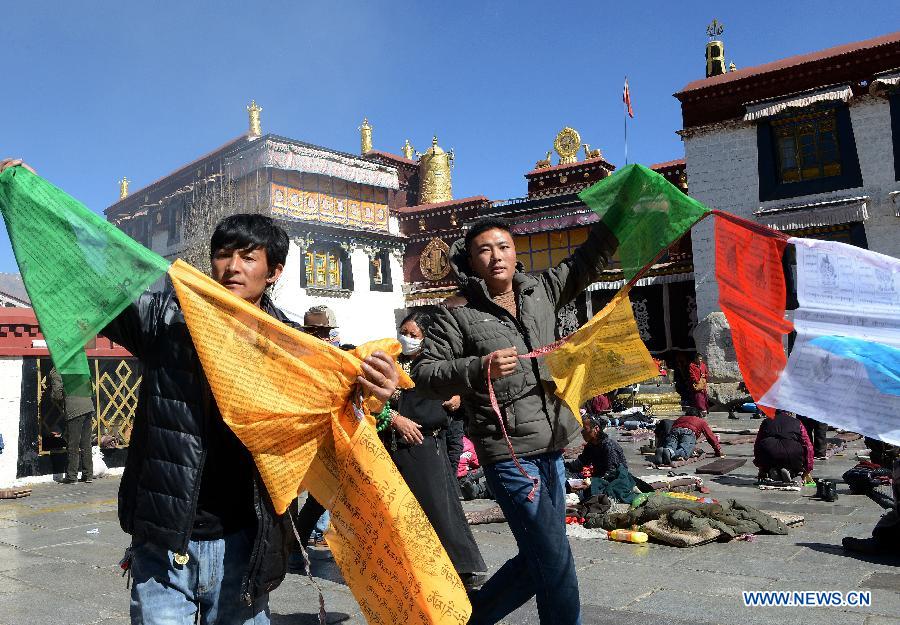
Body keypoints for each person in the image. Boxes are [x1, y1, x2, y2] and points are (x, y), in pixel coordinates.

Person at [0, 177, 407, 625]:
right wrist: (28, 199)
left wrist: (376, 390)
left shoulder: (294, 350)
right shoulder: (165, 321)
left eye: (248, 257)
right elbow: (90, 283)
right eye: (223, 255)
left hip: (246, 541)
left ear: (273, 272)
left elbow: (346, 406)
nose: (232, 267)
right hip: (166, 539)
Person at [414, 216, 617, 625]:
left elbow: (586, 261)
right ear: (471, 261)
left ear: (515, 252)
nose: (496, 256)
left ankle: (471, 620)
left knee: (541, 556)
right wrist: (478, 368)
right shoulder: (456, 313)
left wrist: (618, 216)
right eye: (484, 250)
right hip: (507, 452)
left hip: (552, 446)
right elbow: (424, 373)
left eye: (503, 246)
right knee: (554, 555)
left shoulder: (540, 290)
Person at [385, 308, 487, 590]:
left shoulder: (436, 365)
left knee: (441, 507)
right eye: (403, 333)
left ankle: (460, 567)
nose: (406, 339)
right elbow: (371, 402)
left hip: (429, 444)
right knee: (404, 512)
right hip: (395, 446)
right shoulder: (390, 362)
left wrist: (458, 396)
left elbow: (464, 383)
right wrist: (394, 418)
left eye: (413, 334)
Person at [291, 305, 341, 550]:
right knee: (295, 496)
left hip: (330, 438)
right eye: (314, 331)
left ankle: (297, 543)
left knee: (322, 496)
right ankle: (293, 545)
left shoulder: (338, 359)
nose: (320, 337)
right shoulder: (297, 359)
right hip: (301, 438)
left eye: (324, 332)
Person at [49, 366, 95, 484]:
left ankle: (72, 476)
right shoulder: (78, 365)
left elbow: (57, 393)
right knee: (86, 443)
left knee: (73, 443)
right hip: (88, 405)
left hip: (75, 409)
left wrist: (53, 397)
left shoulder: (57, 369)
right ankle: (88, 475)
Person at [753, 410, 814, 483]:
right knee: (795, 462)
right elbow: (808, 446)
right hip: (793, 453)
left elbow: (757, 445)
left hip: (769, 452)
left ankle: (771, 470)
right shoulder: (797, 422)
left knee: (767, 454)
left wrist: (761, 467)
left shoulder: (766, 422)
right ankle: (792, 472)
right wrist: (807, 469)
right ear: (790, 412)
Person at [564, 415, 627, 480]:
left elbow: (612, 473)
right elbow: (580, 463)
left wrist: (591, 482)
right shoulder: (591, 445)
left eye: (585, 429)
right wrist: (563, 467)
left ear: (596, 429)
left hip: (614, 480)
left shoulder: (609, 447)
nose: (582, 433)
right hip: (597, 475)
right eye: (581, 430)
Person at [654, 414, 724, 465]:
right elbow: (710, 436)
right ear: (698, 415)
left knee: (671, 446)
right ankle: (671, 453)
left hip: (674, 430)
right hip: (688, 432)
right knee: (685, 451)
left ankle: (668, 450)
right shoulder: (700, 421)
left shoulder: (680, 418)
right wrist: (718, 451)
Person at [688, 353, 709, 418]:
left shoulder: (703, 365)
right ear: (695, 359)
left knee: (704, 397)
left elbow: (706, 373)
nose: (700, 361)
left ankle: (704, 410)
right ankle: (701, 410)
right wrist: (697, 381)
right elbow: (692, 374)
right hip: (697, 384)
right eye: (699, 359)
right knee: (698, 398)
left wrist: (704, 375)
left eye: (701, 359)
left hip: (703, 384)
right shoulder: (692, 365)